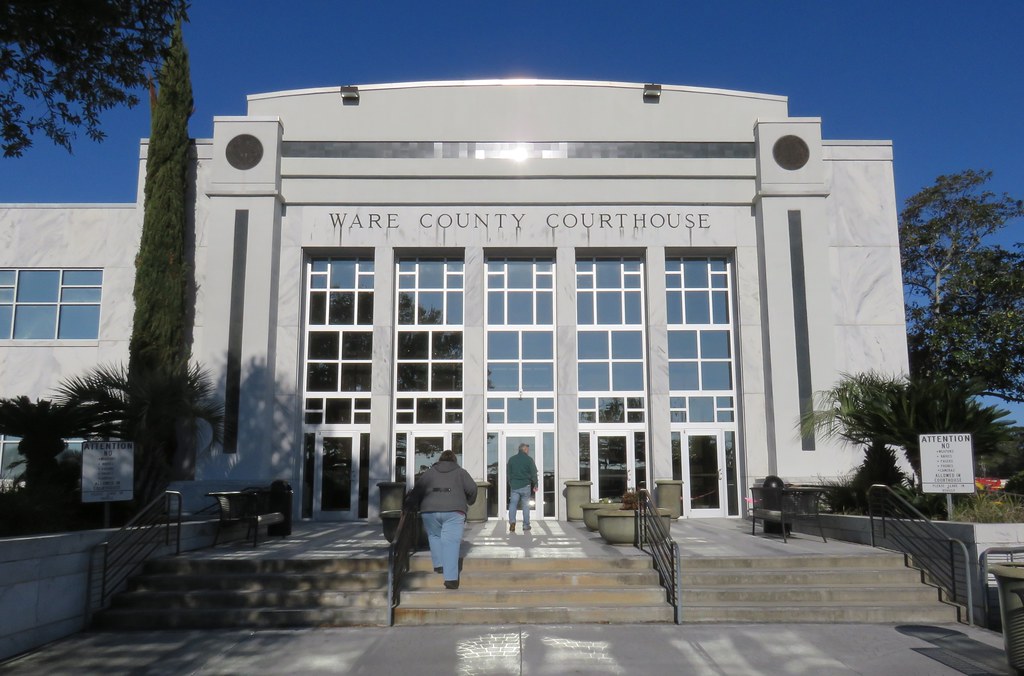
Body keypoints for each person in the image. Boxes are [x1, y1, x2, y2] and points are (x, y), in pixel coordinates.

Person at [405, 449, 477, 589]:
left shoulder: (429, 473)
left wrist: (411, 505)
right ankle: (450, 579)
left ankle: (439, 565)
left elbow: (417, 490)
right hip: (454, 511)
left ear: (440, 459)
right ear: (454, 460)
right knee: (450, 542)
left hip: (429, 510)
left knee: (434, 535)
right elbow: (473, 489)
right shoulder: (461, 472)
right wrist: (469, 501)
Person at [506, 442, 538, 533]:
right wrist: (535, 484)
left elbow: (509, 473)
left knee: (513, 504)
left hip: (515, 486)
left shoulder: (512, 459)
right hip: (525, 486)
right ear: (525, 449)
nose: (528, 451)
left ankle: (512, 522)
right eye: (527, 449)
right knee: (525, 506)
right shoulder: (529, 460)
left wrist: (510, 483)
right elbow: (533, 473)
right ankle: (526, 525)